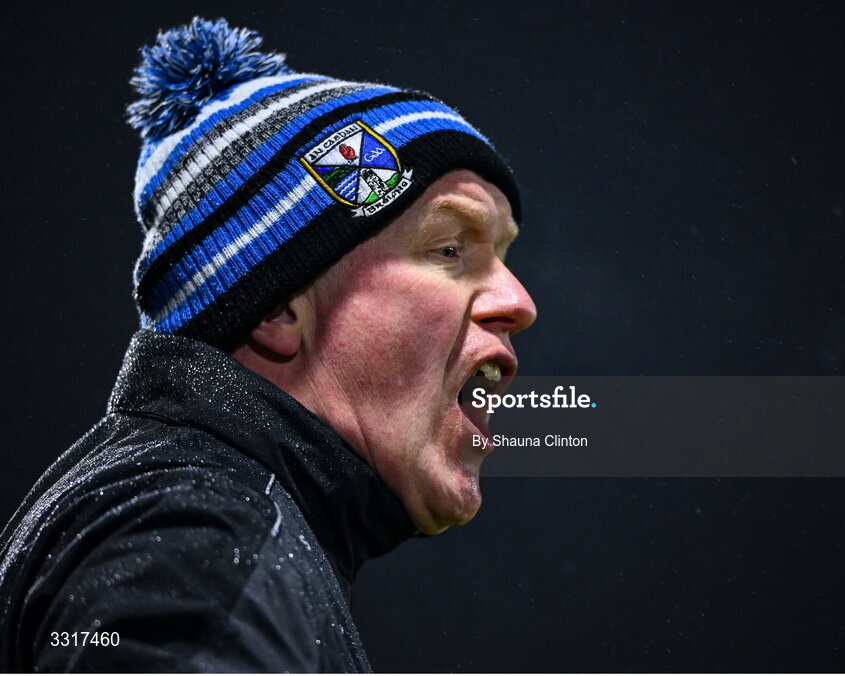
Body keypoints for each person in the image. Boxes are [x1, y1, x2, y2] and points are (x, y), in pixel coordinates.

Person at [0, 17, 535, 672]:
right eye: (450, 248)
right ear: (281, 307)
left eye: (502, 257)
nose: (520, 303)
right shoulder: (196, 536)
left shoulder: (191, 507)